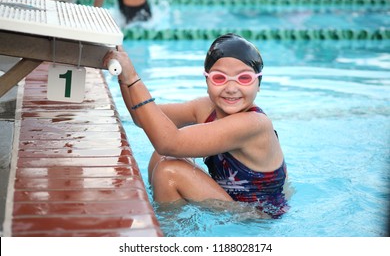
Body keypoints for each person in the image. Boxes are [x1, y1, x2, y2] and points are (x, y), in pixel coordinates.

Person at [103, 34, 289, 218]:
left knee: (169, 172)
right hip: (232, 203)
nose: (231, 88)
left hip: (256, 215)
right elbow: (142, 117)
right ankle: (166, 214)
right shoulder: (205, 108)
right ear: (207, 80)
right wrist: (123, 72)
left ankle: (173, 233)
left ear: (258, 84)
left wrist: (133, 77)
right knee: (163, 156)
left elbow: (169, 142)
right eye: (219, 78)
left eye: (244, 78)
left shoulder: (254, 124)